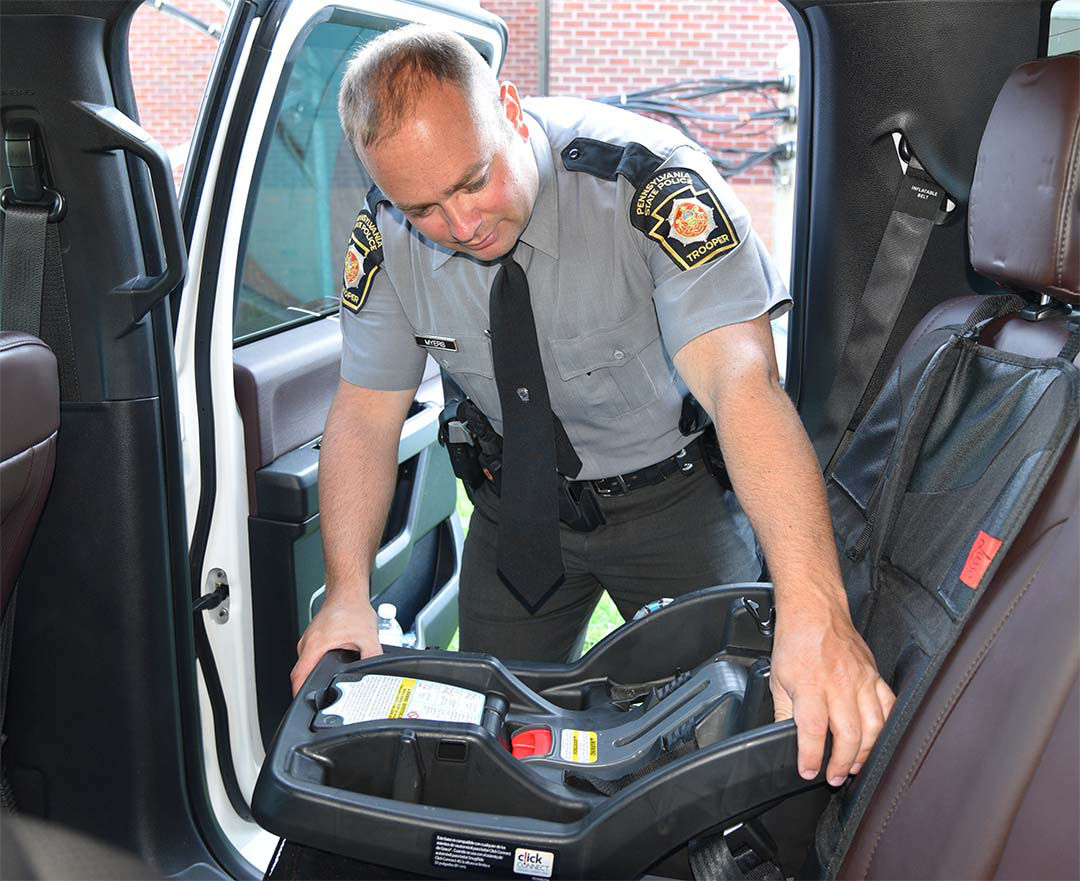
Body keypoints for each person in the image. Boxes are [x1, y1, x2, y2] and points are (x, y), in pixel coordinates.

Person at [291, 25, 895, 789]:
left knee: (717, 748)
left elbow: (743, 387)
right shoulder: (385, 238)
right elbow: (365, 414)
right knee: (488, 751)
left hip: (675, 506)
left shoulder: (649, 187)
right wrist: (347, 593)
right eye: (426, 208)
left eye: (474, 180)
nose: (463, 223)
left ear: (509, 107)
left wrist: (816, 607)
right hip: (518, 514)